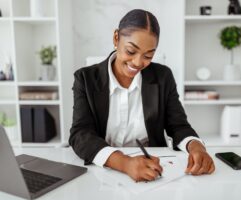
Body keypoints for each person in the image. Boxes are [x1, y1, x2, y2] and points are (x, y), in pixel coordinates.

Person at [69, 9, 215, 182]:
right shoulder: (85, 78)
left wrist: (196, 146)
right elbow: (80, 134)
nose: (138, 63)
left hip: (152, 171)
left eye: (148, 55)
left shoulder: (163, 77)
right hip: (102, 173)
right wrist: (125, 163)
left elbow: (178, 126)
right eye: (131, 51)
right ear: (116, 38)